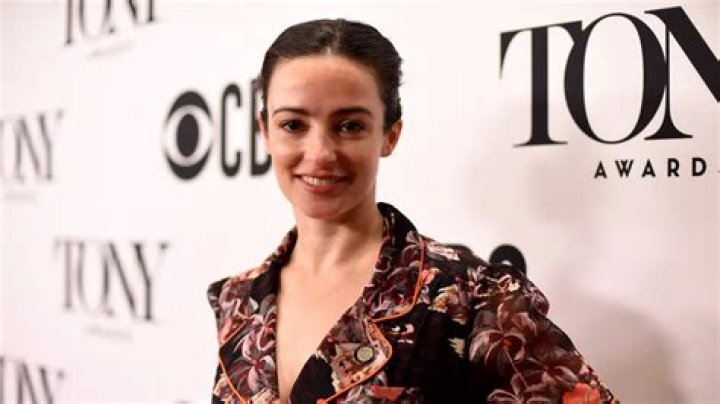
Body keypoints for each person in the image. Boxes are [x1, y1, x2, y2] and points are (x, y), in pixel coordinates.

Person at [207, 18, 616, 403]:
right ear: (265, 132)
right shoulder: (238, 300)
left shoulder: (468, 297)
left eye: (350, 126)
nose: (320, 153)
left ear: (390, 134)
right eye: (293, 125)